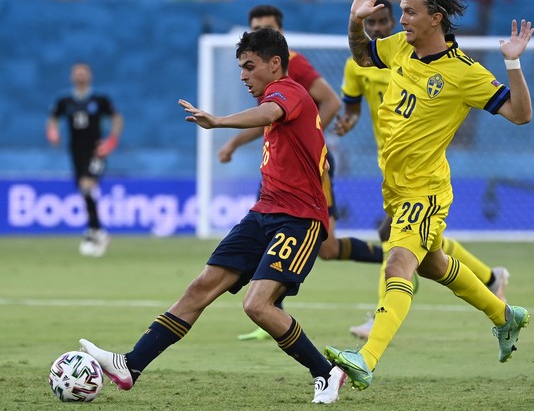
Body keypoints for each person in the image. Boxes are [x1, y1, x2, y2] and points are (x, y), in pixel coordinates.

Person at [79, 28, 347, 404]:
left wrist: (218, 121)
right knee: (200, 287)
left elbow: (270, 111)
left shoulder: (289, 91)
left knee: (257, 305)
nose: (243, 76)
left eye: (249, 66)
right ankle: (131, 365)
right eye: (240, 68)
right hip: (264, 212)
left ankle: (326, 372)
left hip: (299, 219)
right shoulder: (279, 101)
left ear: (275, 64)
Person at [325, 0, 533, 390]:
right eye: (402, 11)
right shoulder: (400, 47)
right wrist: (354, 20)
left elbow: (520, 114)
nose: (401, 19)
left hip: (426, 190)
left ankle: (365, 359)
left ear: (435, 18)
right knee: (434, 264)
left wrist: (512, 63)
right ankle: (504, 315)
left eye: (410, 12)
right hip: (394, 186)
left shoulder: (463, 72)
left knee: (398, 262)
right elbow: (363, 56)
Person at [335, 0, 510, 340]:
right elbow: (352, 107)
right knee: (429, 250)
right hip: (390, 165)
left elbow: (515, 111)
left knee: (397, 243)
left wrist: (512, 63)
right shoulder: (363, 64)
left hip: (420, 171)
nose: (380, 27)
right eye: (372, 24)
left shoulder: (417, 54)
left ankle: (379, 324)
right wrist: (348, 122)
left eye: (385, 21)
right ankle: (493, 282)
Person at [219, 4, 384, 341]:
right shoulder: (257, 71)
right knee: (271, 230)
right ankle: (267, 311)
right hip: (279, 166)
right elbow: (269, 118)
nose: (259, 32)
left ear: (279, 32)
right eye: (255, 27)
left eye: (266, 27)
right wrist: (234, 142)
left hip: (308, 167)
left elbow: (331, 101)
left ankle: (397, 258)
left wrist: (308, 135)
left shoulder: (293, 63)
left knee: (327, 248)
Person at [46, 62, 122, 257]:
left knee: (87, 185)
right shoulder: (65, 101)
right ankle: (96, 230)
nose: (80, 76)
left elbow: (116, 118)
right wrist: (52, 131)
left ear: (89, 76)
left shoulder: (100, 99)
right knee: (83, 189)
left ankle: (95, 232)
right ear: (72, 77)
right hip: (76, 152)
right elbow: (53, 118)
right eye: (77, 73)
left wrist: (111, 141)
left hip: (96, 151)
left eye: (83, 73)